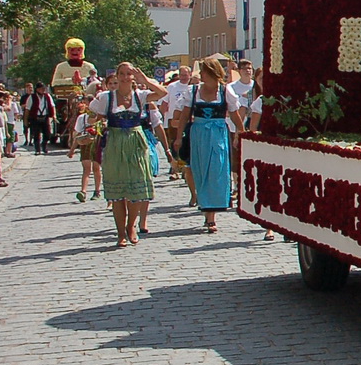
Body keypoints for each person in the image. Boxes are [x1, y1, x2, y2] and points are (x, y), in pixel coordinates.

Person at [88, 63, 168, 247]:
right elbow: (95, 117)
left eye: (129, 74)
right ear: (116, 76)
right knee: (118, 191)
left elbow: (162, 93)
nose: (125, 77)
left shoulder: (140, 96)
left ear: (133, 76)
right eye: (122, 74)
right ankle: (120, 232)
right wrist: (91, 126)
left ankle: (131, 226)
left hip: (136, 142)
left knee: (136, 188)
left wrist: (145, 80)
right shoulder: (106, 98)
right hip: (115, 143)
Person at [177, 55, 244, 233]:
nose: (203, 76)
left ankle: (211, 214)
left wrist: (242, 132)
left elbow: (235, 113)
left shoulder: (224, 91)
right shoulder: (193, 92)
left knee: (216, 170)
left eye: (206, 73)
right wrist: (178, 137)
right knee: (200, 171)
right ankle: (206, 207)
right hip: (198, 134)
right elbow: (184, 115)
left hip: (218, 134)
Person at [69, 97, 101, 203]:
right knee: (86, 168)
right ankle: (83, 191)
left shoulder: (100, 117)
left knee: (96, 168)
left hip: (97, 144)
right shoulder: (82, 118)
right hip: (85, 144)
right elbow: (77, 134)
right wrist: (72, 149)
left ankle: (97, 191)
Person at [23, 83, 55, 154]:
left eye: (44, 88)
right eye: (41, 89)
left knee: (47, 134)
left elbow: (52, 106)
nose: (43, 90)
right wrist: (25, 120)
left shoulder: (47, 96)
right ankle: (37, 149)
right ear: (37, 89)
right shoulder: (32, 97)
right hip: (35, 118)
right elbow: (27, 109)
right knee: (36, 134)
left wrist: (54, 115)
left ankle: (44, 146)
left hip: (45, 117)